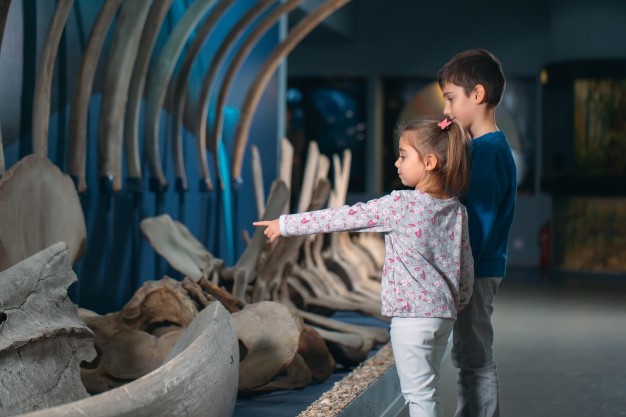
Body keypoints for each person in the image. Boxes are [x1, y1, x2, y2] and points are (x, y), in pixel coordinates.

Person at [254, 115, 474, 417]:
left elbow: (345, 217)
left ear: (430, 162)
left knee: (418, 396)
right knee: (428, 390)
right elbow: (465, 264)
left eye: (403, 155)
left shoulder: (401, 205)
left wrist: (286, 224)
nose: (396, 163)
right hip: (443, 317)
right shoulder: (457, 210)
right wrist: (459, 300)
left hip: (411, 320)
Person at [437, 49, 517, 417]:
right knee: (468, 354)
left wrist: (460, 272)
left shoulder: (488, 153)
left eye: (452, 99)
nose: (447, 110)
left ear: (478, 95)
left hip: (477, 268)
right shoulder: (484, 149)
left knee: (476, 356)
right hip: (478, 267)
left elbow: (480, 221)